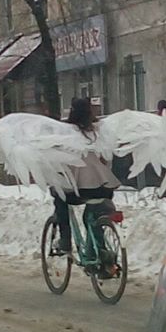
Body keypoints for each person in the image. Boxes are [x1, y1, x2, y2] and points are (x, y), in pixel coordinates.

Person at [53, 98, 120, 255]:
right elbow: (106, 158)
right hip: (104, 188)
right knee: (93, 214)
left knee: (59, 198)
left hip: (78, 190)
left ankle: (65, 241)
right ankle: (99, 253)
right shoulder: (99, 131)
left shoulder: (67, 133)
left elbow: (60, 159)